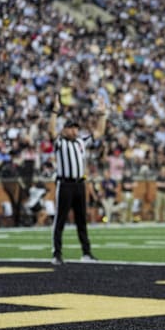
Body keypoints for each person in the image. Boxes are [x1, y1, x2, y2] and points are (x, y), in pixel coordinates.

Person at [49, 95, 107, 265]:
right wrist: (54, 112)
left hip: (80, 184)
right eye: (71, 128)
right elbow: (51, 131)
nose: (74, 131)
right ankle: (57, 254)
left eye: (76, 128)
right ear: (64, 130)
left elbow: (99, 132)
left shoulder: (81, 142)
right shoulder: (60, 142)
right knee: (60, 220)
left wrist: (102, 115)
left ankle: (86, 252)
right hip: (65, 184)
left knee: (82, 220)